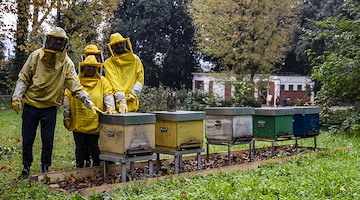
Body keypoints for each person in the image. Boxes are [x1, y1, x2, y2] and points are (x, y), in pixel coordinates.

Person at [11, 27, 101, 179]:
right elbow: (24, 77)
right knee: (28, 138)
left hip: (50, 107)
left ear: (64, 43)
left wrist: (88, 102)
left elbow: (75, 86)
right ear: (49, 40)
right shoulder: (36, 56)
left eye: (61, 40)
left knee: (48, 140)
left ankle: (45, 167)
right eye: (56, 39)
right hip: (31, 105)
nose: (58, 42)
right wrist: (16, 96)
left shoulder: (67, 63)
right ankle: (26, 168)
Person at [63, 55, 117, 168]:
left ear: (97, 68)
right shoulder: (76, 80)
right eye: (88, 67)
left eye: (93, 67)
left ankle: (96, 166)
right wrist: (66, 114)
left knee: (94, 146)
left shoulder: (103, 81)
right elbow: (67, 96)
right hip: (78, 120)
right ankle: (80, 166)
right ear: (84, 67)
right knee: (80, 146)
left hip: (94, 121)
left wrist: (111, 108)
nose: (91, 69)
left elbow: (108, 95)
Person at [103, 33, 144, 113]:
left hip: (132, 101)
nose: (119, 46)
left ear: (125, 43)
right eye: (115, 44)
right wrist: (121, 100)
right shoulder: (109, 63)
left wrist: (134, 93)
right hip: (116, 103)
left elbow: (140, 78)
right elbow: (113, 82)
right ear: (112, 47)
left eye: (120, 43)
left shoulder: (135, 59)